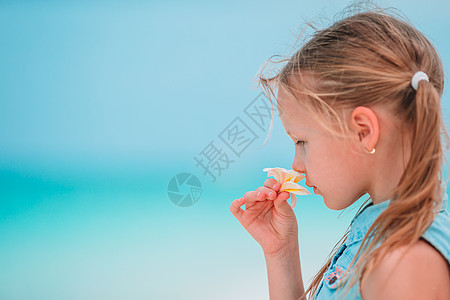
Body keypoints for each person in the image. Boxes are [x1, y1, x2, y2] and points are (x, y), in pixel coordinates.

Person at [230, 4, 450, 300]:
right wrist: (280, 253)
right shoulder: (393, 234)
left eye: (302, 142)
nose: (297, 165)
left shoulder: (404, 265)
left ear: (363, 131)